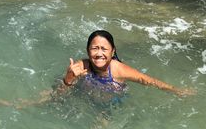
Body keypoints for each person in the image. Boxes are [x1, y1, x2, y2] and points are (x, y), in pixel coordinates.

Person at [62, 30, 194, 98]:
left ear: (113, 52)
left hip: (109, 104)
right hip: (85, 96)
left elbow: (148, 80)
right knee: (45, 98)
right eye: (94, 48)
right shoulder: (81, 66)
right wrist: (69, 78)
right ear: (87, 50)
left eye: (104, 49)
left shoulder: (119, 70)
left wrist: (176, 91)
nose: (99, 53)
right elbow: (60, 93)